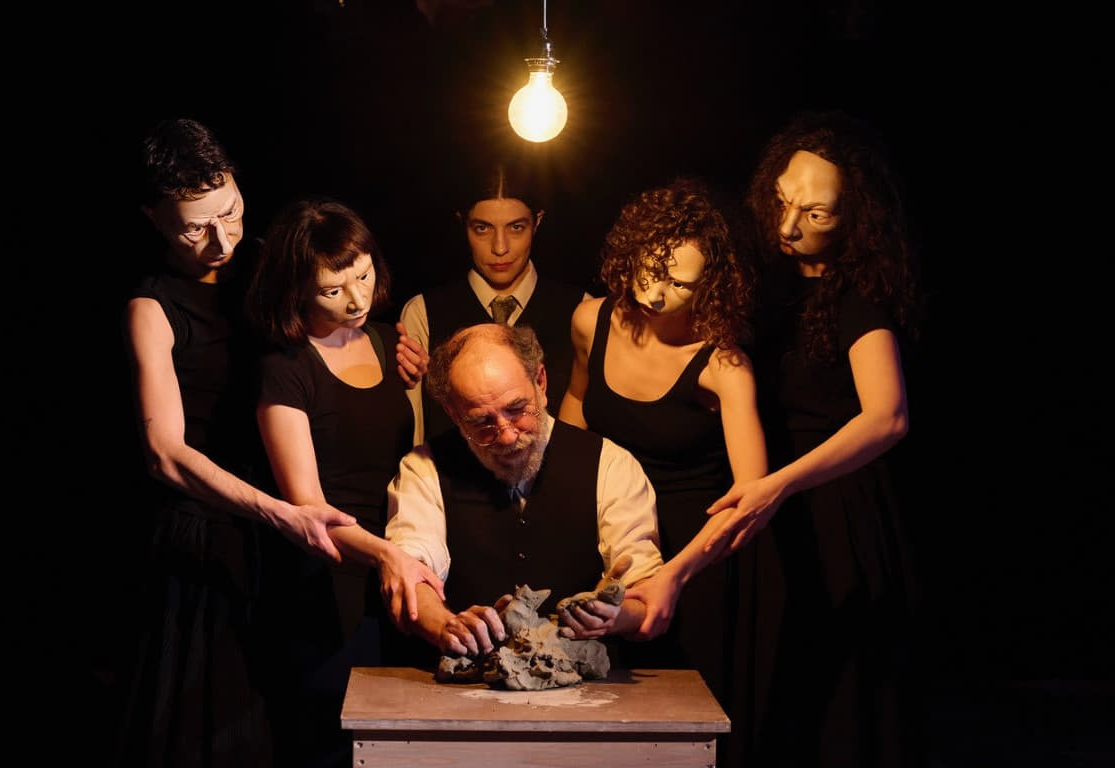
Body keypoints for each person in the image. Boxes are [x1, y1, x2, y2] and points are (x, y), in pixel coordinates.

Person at [111, 118, 357, 767]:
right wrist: (276, 512)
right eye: (195, 228)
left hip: (288, 533)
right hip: (209, 540)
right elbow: (165, 455)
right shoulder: (151, 308)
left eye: (230, 212)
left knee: (307, 726)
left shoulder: (269, 263)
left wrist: (387, 351)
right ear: (154, 218)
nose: (221, 239)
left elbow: (336, 321)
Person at [705, 110, 924, 768]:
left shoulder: (856, 297)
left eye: (816, 214)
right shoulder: (762, 284)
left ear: (854, 219)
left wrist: (778, 484)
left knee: (835, 708)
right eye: (782, 202)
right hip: (770, 502)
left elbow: (888, 417)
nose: (790, 225)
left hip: (834, 512)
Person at [244, 196, 446, 767]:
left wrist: (405, 553)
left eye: (364, 275)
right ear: (295, 289)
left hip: (399, 562)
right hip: (325, 579)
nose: (356, 299)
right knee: (330, 744)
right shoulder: (285, 366)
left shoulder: (388, 341)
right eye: (333, 290)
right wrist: (386, 555)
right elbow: (308, 508)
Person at [557, 176, 767, 704]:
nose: (654, 292)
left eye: (679, 284)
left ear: (711, 285)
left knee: (683, 707)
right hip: (610, 537)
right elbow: (576, 410)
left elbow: (751, 500)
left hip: (692, 556)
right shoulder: (590, 320)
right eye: (649, 270)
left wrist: (675, 574)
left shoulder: (724, 367)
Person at [385, 323, 665, 659]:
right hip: (467, 677)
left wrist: (614, 616)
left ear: (540, 383)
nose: (506, 435)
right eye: (481, 422)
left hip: (584, 680)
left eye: (517, 410)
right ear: (453, 414)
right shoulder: (424, 468)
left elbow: (647, 597)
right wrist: (446, 626)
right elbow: (411, 574)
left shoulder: (610, 464)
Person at [399, 155, 590, 443]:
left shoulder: (580, 310)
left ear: (537, 222)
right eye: (482, 228)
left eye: (516, 227)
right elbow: (413, 434)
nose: (500, 247)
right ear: (463, 224)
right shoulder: (423, 312)